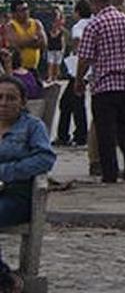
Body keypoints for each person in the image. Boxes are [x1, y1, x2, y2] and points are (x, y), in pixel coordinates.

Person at [76, 0, 125, 183]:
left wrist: (78, 81)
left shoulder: (94, 25)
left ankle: (110, 172)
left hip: (104, 85)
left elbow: (84, 58)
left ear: (95, 3)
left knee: (105, 130)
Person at [0, 75, 56, 293]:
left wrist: (6, 172)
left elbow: (45, 158)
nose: (4, 103)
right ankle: (4, 274)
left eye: (11, 98)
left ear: (22, 102)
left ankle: (6, 281)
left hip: (16, 194)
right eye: (0, 97)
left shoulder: (32, 126)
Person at [56, 0, 90, 147]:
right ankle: (76, 134)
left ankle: (71, 135)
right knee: (74, 102)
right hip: (90, 69)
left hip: (78, 69)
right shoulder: (93, 22)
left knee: (69, 102)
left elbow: (78, 44)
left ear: (77, 12)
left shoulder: (79, 25)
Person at [5, 0, 45, 82]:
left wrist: (24, 43)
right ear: (14, 13)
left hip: (33, 68)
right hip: (17, 70)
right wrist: (33, 40)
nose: (26, 12)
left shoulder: (36, 23)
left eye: (26, 9)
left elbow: (43, 43)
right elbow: (15, 44)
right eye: (22, 10)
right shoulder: (10, 26)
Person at [45, 8, 66, 84]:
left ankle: (55, 77)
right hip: (51, 47)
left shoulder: (61, 28)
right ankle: (50, 77)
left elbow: (63, 40)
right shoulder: (49, 23)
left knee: (57, 64)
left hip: (58, 48)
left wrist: (63, 49)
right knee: (50, 63)